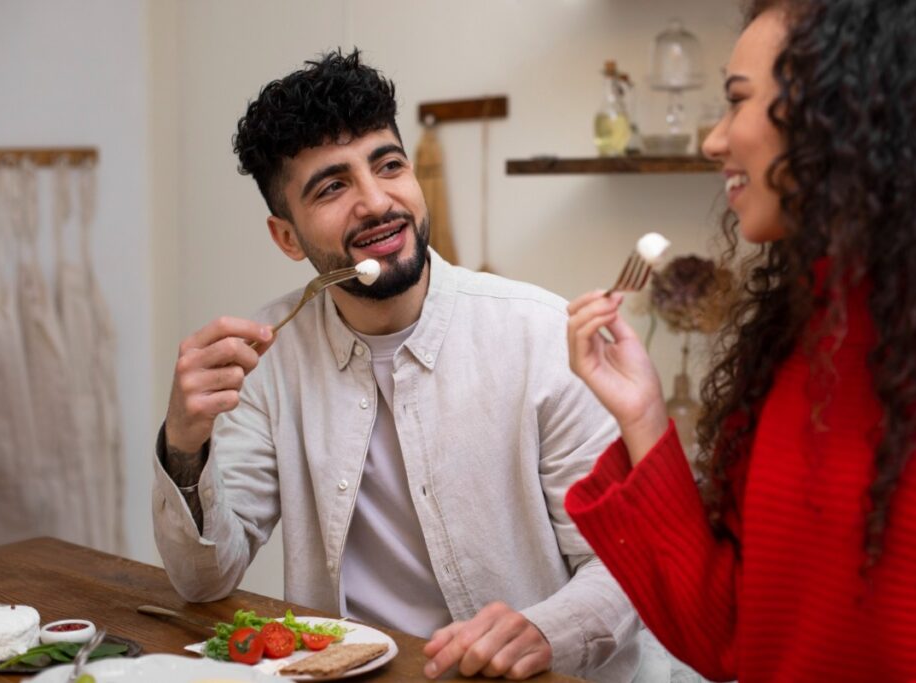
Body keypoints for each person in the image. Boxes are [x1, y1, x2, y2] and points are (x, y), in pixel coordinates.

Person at [152, 49, 644, 681]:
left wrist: (544, 631)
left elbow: (626, 567)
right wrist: (185, 443)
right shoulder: (268, 359)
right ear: (285, 236)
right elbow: (203, 578)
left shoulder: (545, 337)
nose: (376, 201)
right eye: (332, 186)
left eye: (388, 166)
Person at [564, 1, 916, 682]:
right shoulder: (799, 343)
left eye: (737, 101)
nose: (714, 141)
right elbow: (731, 638)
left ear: (844, 109)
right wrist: (643, 418)